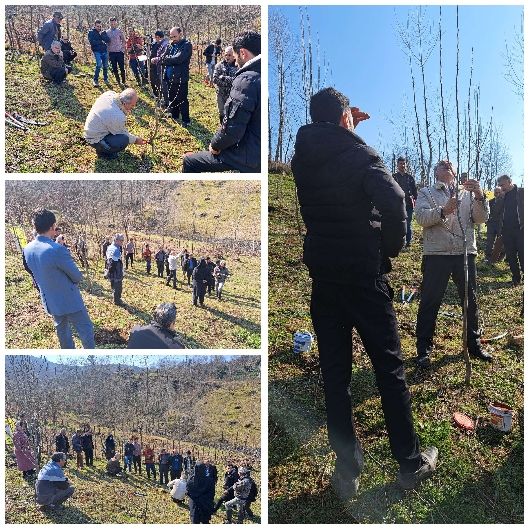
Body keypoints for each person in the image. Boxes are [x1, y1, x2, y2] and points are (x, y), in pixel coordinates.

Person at [291, 87, 438, 498]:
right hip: (363, 276)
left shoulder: (302, 156)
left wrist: (344, 125)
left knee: (335, 376)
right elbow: (394, 202)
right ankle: (409, 463)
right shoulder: (362, 155)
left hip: (324, 277)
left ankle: (347, 470)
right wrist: (387, 249)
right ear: (343, 119)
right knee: (389, 371)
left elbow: (329, 152)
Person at [415, 160, 491, 367]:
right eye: (442, 164)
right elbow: (420, 218)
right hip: (437, 253)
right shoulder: (426, 192)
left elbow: (481, 218)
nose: (447, 165)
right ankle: (423, 349)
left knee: (470, 300)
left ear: (455, 172)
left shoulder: (467, 193)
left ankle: (473, 345)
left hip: (465, 252)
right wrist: (443, 210)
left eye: (450, 164)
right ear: (436, 172)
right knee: (430, 301)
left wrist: (480, 196)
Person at [183, 31, 260, 173]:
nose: (236, 62)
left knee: (190, 161)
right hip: (255, 148)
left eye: (235, 56)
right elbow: (216, 79)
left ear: (242, 53)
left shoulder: (247, 79)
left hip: (248, 155)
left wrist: (215, 145)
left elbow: (233, 129)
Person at [23, 209, 95, 349]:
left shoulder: (27, 249)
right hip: (70, 300)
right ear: (52, 226)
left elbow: (32, 271)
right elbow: (77, 276)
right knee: (86, 330)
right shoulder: (56, 249)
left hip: (50, 300)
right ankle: (91, 359)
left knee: (63, 333)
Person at [84, 88, 148, 160]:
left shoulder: (109, 94)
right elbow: (123, 133)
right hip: (94, 139)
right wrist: (136, 140)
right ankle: (103, 153)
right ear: (124, 103)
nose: (133, 108)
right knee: (123, 139)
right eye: (132, 106)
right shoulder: (117, 115)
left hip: (91, 128)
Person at [495, 174, 524, 286]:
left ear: (509, 181)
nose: (501, 187)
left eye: (503, 185)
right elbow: (496, 212)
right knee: (511, 257)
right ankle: (516, 279)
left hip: (521, 230)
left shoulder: (522, 192)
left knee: (523, 255)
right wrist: (500, 197)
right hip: (506, 231)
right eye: (499, 186)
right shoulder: (502, 196)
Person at [161, 27, 192, 126]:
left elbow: (179, 58)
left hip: (180, 78)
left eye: (175, 36)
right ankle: (175, 115)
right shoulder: (171, 45)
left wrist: (167, 59)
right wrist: (166, 58)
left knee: (182, 99)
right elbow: (163, 57)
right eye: (171, 36)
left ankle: (186, 120)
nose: (173, 38)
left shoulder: (186, 45)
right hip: (170, 77)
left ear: (180, 34)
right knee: (172, 98)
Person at [393, 156, 418, 247]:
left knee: (408, 223)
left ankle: (408, 242)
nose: (402, 165)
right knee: (398, 223)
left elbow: (415, 191)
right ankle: (398, 242)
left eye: (404, 163)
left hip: (409, 205)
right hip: (397, 204)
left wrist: (416, 200)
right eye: (400, 163)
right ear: (397, 165)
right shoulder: (393, 177)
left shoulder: (410, 178)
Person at [213, 46, 238, 123]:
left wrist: (224, 78)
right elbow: (215, 79)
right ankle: (222, 128)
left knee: (231, 114)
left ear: (234, 55)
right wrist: (228, 82)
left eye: (229, 55)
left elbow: (237, 81)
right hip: (220, 94)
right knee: (221, 112)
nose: (227, 57)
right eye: (226, 55)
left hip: (232, 95)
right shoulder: (219, 65)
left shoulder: (238, 67)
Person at [88, 19, 110, 88]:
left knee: (106, 66)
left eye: (100, 26)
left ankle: (105, 79)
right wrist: (101, 41)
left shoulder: (103, 32)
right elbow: (92, 42)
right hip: (97, 51)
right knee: (99, 65)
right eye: (97, 26)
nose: (99, 28)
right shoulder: (91, 32)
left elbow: (108, 40)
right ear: (94, 26)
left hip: (104, 51)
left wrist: (102, 36)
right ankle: (95, 80)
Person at [485, 187, 504, 264]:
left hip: (501, 225)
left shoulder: (505, 201)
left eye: (499, 192)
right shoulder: (490, 201)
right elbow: (487, 212)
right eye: (496, 192)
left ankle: (500, 257)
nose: (497, 194)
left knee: (501, 241)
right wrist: (487, 221)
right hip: (491, 225)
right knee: (489, 241)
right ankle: (488, 257)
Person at [106, 233, 125, 305]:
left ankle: (115, 298)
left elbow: (108, 260)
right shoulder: (116, 250)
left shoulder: (110, 247)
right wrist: (121, 272)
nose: (122, 242)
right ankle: (117, 301)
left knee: (113, 286)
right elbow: (114, 263)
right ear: (116, 240)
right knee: (118, 287)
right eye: (121, 240)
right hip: (116, 271)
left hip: (111, 270)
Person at [106, 17, 126, 85]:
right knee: (114, 68)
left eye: (114, 23)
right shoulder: (107, 32)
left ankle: (123, 81)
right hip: (111, 53)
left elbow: (123, 40)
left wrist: (122, 49)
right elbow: (107, 44)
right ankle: (118, 81)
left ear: (116, 23)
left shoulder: (119, 31)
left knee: (122, 67)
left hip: (119, 52)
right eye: (111, 23)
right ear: (109, 23)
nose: (113, 24)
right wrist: (108, 54)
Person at [149, 31, 169, 98]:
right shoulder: (154, 43)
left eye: (158, 37)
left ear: (162, 37)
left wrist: (155, 59)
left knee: (159, 81)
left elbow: (163, 57)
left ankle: (161, 95)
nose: (156, 39)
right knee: (152, 80)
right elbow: (150, 51)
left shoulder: (165, 45)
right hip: (152, 64)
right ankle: (155, 94)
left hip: (159, 65)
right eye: (155, 37)